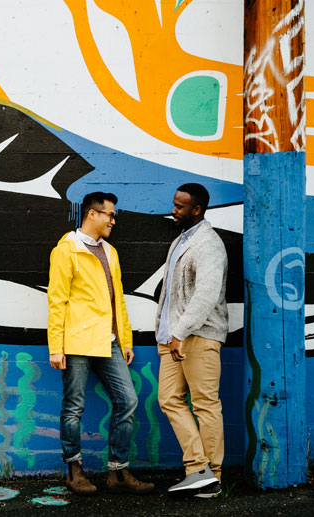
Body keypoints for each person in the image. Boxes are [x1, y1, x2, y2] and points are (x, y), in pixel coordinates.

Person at [47, 191, 154, 496]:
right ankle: (74, 471)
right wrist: (56, 346)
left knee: (128, 400)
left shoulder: (110, 251)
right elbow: (57, 300)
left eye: (114, 215)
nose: (113, 220)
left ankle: (118, 473)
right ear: (92, 214)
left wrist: (125, 339)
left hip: (109, 343)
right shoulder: (67, 251)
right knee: (73, 408)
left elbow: (117, 299)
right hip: (78, 343)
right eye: (110, 215)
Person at [155, 183, 229, 498]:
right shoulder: (180, 241)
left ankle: (212, 476)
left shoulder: (208, 244)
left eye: (180, 206)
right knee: (169, 398)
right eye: (175, 204)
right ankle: (198, 468)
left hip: (196, 336)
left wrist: (180, 331)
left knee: (205, 405)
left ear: (196, 210)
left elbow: (206, 295)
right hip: (174, 338)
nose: (174, 210)